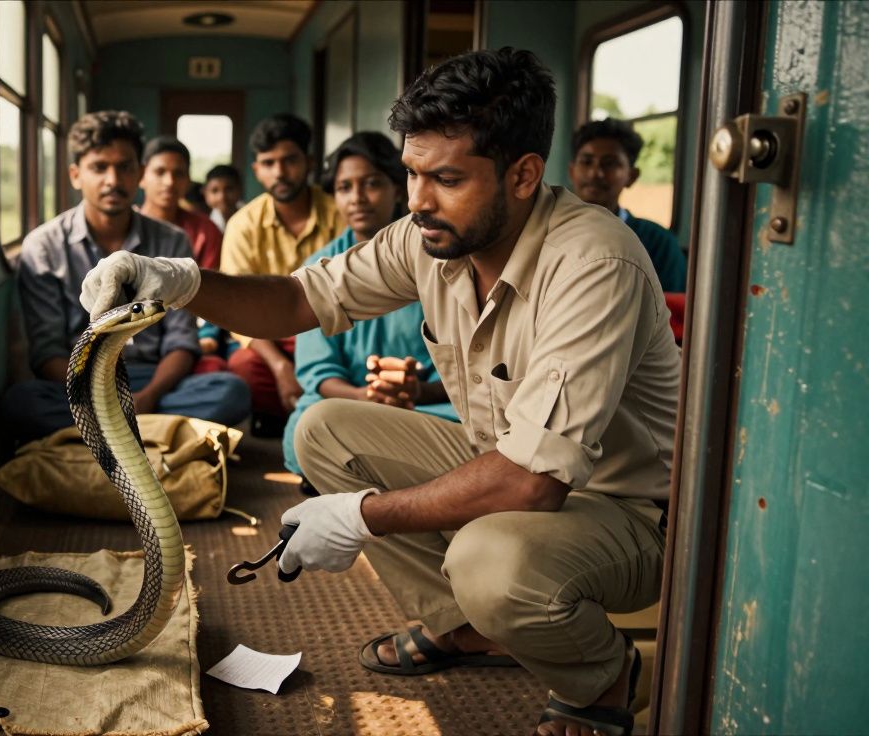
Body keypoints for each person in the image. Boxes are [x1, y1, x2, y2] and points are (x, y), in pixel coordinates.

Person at [79, 48, 677, 736]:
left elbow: (534, 482)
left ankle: (603, 680)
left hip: (624, 512)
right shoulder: (430, 237)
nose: (419, 200)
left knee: (490, 562)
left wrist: (364, 516)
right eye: (413, 174)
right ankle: (465, 628)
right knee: (322, 427)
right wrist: (179, 281)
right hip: (506, 467)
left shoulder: (594, 262)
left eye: (446, 179)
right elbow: (297, 299)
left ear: (522, 175)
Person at [2, 111, 249, 444]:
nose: (113, 181)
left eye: (125, 167)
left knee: (231, 392)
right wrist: (102, 400)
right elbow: (47, 352)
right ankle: (152, 431)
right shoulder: (44, 246)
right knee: (22, 403)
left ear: (140, 174)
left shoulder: (172, 240)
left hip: (153, 379)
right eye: (99, 167)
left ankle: (104, 434)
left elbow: (181, 340)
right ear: (76, 175)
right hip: (80, 382)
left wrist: (145, 398)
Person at [284, 131, 456, 480]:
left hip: (430, 404)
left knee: (484, 423)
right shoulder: (320, 266)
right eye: (345, 187)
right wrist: (365, 396)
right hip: (348, 401)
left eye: (372, 183)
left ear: (398, 188)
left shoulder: (442, 257)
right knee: (304, 425)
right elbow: (319, 372)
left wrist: (415, 391)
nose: (358, 198)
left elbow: (469, 370)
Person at [222, 114, 345, 435]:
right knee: (242, 369)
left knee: (354, 367)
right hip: (272, 337)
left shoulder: (340, 212)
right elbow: (238, 311)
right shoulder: (243, 224)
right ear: (256, 170)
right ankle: (299, 412)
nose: (280, 172)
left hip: (330, 333)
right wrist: (279, 366)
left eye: (290, 160)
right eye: (268, 163)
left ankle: (309, 412)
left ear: (309, 161)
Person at [569, 118, 687, 293]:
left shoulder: (659, 244)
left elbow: (673, 313)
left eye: (609, 163)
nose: (596, 172)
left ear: (632, 176)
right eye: (587, 162)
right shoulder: (550, 233)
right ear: (572, 171)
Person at [138, 136, 223, 271]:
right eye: (160, 172)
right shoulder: (123, 226)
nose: (169, 182)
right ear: (141, 176)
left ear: (188, 180)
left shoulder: (205, 232)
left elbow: (210, 286)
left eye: (178, 174)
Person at [203, 164, 244, 232]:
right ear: (205, 193)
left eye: (229, 189)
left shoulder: (252, 218)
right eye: (214, 190)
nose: (222, 197)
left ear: (239, 189)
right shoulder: (204, 226)